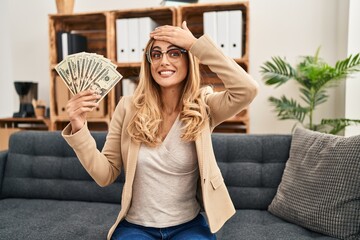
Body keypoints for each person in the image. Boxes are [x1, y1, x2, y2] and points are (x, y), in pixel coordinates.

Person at [62, 21, 259, 240]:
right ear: (149, 63)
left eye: (174, 53)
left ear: (188, 59)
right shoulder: (127, 107)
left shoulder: (204, 106)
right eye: (156, 54)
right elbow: (104, 174)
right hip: (136, 227)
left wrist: (196, 45)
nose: (164, 61)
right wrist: (80, 128)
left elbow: (247, 90)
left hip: (188, 226)